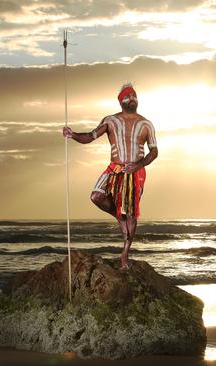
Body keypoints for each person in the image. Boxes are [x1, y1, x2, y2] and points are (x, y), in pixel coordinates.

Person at [62, 83, 158, 270]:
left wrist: (138, 165)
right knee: (96, 196)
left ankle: (125, 255)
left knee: (130, 213)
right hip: (114, 168)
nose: (132, 99)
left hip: (136, 172)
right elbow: (90, 136)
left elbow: (154, 152)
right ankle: (118, 216)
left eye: (134, 96)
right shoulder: (110, 120)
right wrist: (72, 134)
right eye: (128, 96)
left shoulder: (146, 124)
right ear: (120, 100)